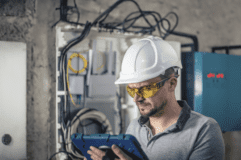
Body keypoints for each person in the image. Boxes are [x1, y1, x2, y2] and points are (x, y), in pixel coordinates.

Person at [86, 36, 225, 160]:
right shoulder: (135, 128)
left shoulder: (203, 130)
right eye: (131, 90)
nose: (136, 99)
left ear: (171, 83)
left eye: (146, 89)